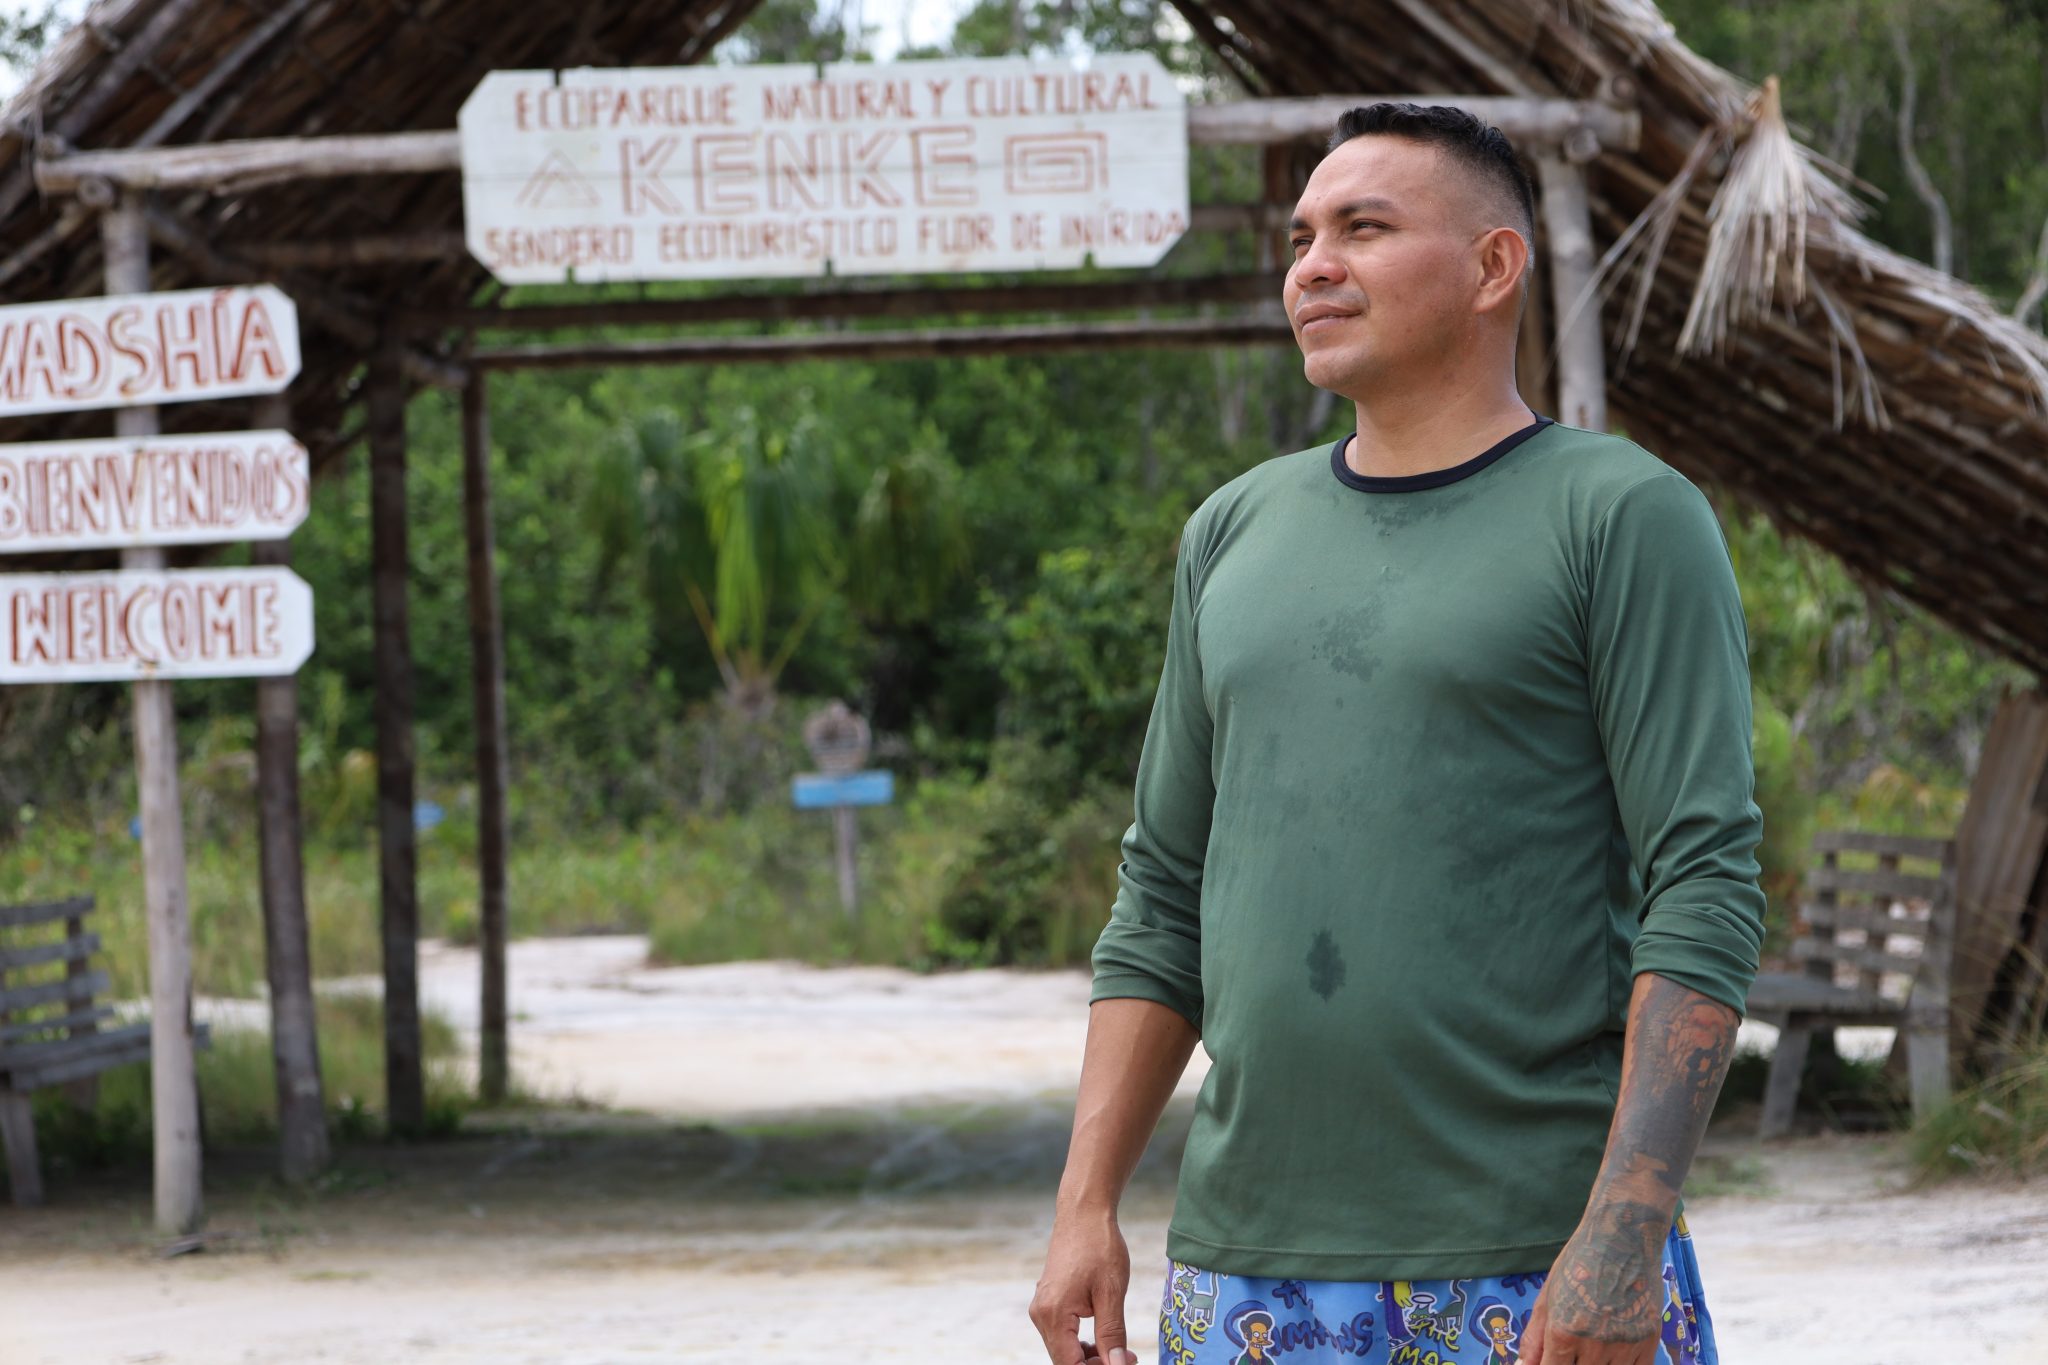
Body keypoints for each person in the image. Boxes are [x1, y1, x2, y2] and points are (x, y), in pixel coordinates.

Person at [1027, 102, 1761, 1365]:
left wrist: (1624, 1229)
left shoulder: (1622, 518)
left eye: (1363, 229)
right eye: (1302, 235)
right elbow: (1161, 893)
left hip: (1530, 1261)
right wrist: (1083, 1202)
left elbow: (1702, 878)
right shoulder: (1232, 532)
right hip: (1245, 1270)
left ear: (1492, 268)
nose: (1312, 264)